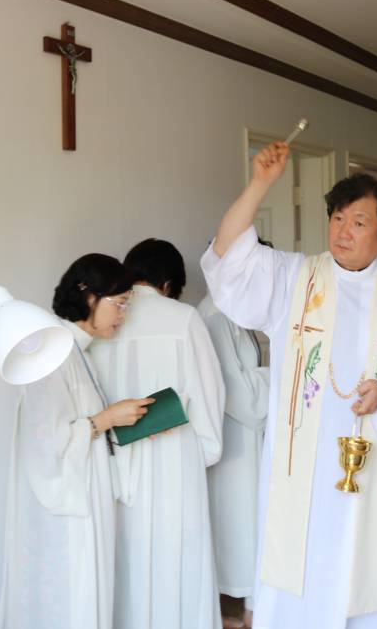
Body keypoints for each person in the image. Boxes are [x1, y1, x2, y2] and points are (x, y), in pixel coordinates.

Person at [201, 144, 377, 629]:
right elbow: (227, 259)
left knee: (373, 569)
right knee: (304, 565)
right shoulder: (294, 279)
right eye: (338, 218)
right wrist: (260, 184)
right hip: (306, 467)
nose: (343, 230)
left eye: (359, 222)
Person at [0, 254, 153, 629]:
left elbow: (82, 427)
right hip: (67, 516)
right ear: (89, 298)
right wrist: (107, 418)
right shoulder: (52, 354)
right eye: (120, 303)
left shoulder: (77, 353)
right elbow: (45, 445)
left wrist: (120, 419)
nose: (123, 314)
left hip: (88, 501)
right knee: (68, 603)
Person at [89, 238, 226, 629]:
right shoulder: (182, 318)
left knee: (124, 566)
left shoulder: (102, 319)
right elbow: (208, 393)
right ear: (168, 283)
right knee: (178, 565)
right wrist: (203, 452)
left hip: (112, 460)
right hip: (173, 458)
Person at [198, 256, 271, 629]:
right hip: (234, 447)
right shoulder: (212, 317)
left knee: (251, 534)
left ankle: (250, 615)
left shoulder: (236, 313)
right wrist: (276, 375)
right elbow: (244, 398)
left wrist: (262, 376)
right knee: (240, 536)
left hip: (248, 444)